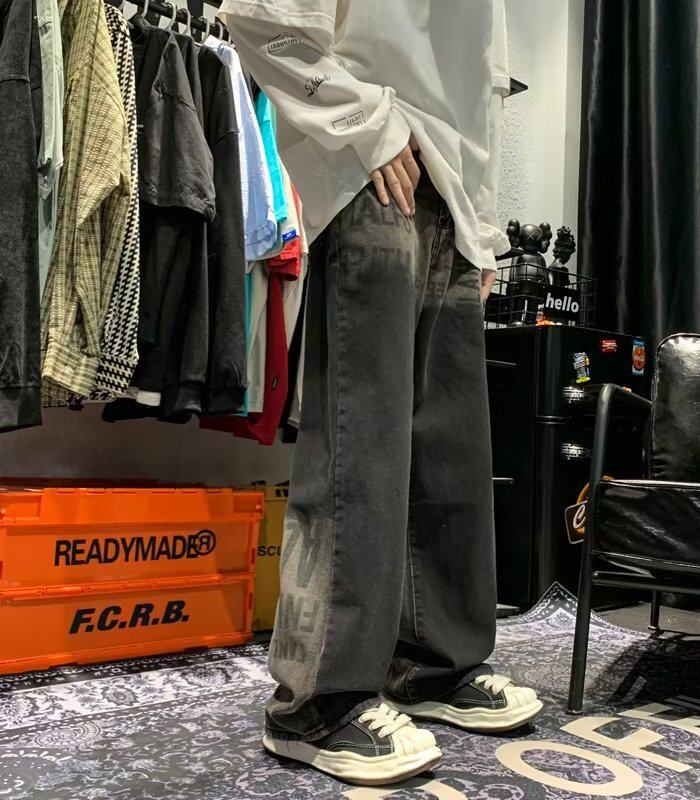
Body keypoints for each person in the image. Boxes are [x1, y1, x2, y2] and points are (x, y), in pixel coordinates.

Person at [219, 0, 543, 786]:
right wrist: (368, 125)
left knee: (449, 455)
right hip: (378, 171)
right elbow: (259, 17)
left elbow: (481, 93)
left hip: (450, 199)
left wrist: (482, 226)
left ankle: (433, 667)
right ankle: (316, 704)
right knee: (361, 448)